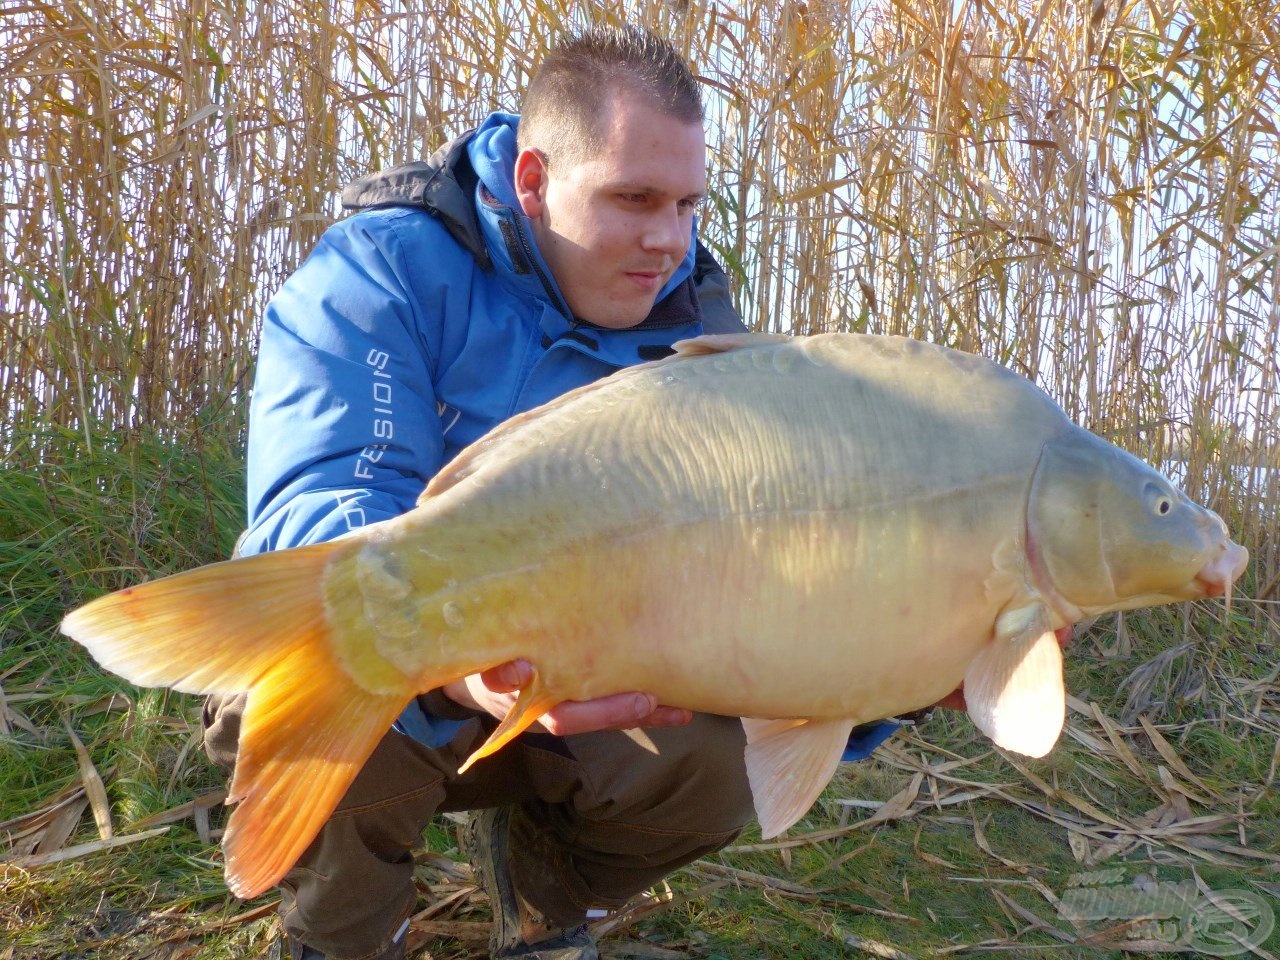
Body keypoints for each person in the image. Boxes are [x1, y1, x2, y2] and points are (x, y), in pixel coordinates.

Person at [203, 24, 901, 960]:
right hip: (427, 668)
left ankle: (544, 899)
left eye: (689, 203)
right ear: (532, 180)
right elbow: (318, 504)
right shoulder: (382, 270)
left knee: (714, 764)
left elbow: (770, 572)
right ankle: (342, 935)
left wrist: (902, 667)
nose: (669, 240)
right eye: (634, 198)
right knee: (323, 668)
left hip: (596, 690)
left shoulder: (702, 332)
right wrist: (458, 651)